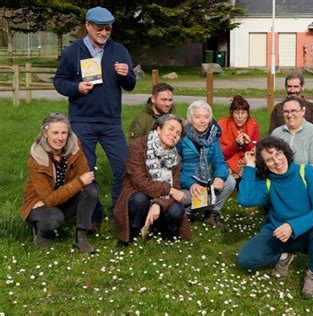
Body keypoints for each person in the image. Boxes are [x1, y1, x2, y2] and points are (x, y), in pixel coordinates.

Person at [53, 7, 136, 230]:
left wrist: (126, 74)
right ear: (88, 26)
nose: (104, 32)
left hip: (111, 121)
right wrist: (77, 87)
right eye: (100, 28)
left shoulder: (119, 50)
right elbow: (59, 81)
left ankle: (118, 211)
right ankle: (94, 214)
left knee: (123, 166)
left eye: (108, 28)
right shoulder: (73, 51)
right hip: (82, 120)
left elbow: (131, 84)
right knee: (85, 170)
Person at [237, 137, 313, 300]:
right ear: (265, 165)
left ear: (285, 152)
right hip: (278, 233)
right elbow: (245, 200)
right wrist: (250, 167)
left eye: (278, 154)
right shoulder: (268, 182)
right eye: (269, 160)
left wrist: (292, 226)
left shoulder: (306, 172)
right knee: (245, 259)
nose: (276, 161)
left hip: (307, 232)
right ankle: (284, 256)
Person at [21, 113, 97, 253]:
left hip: (62, 196)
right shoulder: (37, 158)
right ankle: (39, 231)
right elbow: (49, 199)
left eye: (64, 133)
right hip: (39, 201)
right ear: (45, 133)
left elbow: (85, 175)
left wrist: (80, 183)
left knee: (90, 189)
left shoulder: (74, 147)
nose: (60, 138)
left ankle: (81, 238)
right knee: (54, 219)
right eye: (55, 133)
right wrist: (78, 182)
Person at [114, 114, 191, 246]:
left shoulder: (175, 157)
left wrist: (158, 203)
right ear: (159, 129)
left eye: (178, 133)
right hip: (138, 193)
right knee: (139, 199)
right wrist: (168, 189)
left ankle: (163, 230)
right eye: (171, 129)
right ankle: (133, 230)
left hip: (162, 198)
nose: (174, 135)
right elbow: (139, 181)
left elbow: (176, 187)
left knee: (177, 210)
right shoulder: (138, 146)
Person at [177, 100, 236, 227]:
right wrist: (190, 183)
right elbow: (174, 170)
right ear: (189, 118)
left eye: (206, 117)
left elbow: (219, 162)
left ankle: (211, 213)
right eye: (197, 117)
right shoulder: (181, 137)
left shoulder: (213, 138)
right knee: (178, 199)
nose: (202, 121)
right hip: (185, 185)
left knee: (230, 181)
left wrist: (219, 177)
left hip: (205, 182)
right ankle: (187, 212)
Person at [271, 96, 313, 195]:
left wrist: (294, 179)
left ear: (303, 111)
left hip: (311, 179)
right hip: (282, 178)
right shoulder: (276, 133)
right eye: (286, 111)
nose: (289, 115)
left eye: (294, 111)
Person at [218, 95, 260, 179]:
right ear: (231, 113)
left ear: (248, 114)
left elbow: (256, 151)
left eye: (243, 113)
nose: (240, 117)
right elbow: (221, 154)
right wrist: (236, 144)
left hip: (247, 159)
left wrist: (247, 144)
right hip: (228, 160)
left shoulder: (254, 125)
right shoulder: (222, 124)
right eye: (236, 113)